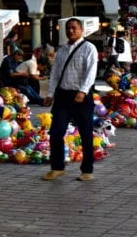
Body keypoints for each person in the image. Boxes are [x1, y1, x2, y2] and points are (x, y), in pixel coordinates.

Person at [42, 18, 98, 182]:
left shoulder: (89, 48)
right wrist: (50, 94)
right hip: (63, 96)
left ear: (81, 30)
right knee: (56, 132)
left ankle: (87, 169)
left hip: (81, 97)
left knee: (86, 134)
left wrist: (83, 91)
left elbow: (91, 71)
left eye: (74, 28)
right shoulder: (62, 50)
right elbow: (55, 74)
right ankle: (57, 167)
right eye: (68, 28)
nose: (70, 31)